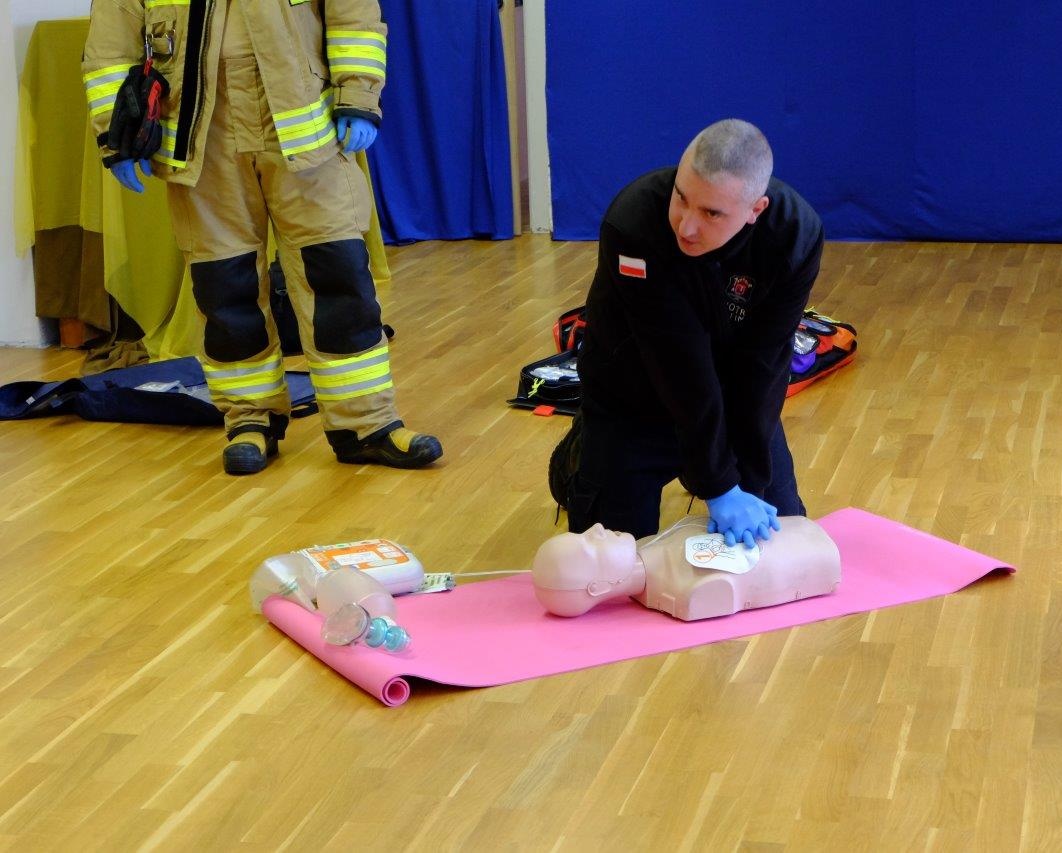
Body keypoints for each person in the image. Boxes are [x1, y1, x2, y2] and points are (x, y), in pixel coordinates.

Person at [82, 0, 442, 475]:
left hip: (305, 131)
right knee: (224, 287)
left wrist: (358, 92)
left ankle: (367, 424)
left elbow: (353, 13)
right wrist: (117, 134)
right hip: (202, 139)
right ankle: (249, 420)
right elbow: (110, 45)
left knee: (338, 275)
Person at [549, 119, 824, 545]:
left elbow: (766, 363)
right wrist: (719, 486)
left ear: (756, 210)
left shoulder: (794, 236)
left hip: (731, 397)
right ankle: (577, 459)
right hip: (631, 397)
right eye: (681, 197)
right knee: (614, 562)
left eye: (711, 213)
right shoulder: (634, 223)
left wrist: (747, 486)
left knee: (779, 538)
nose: (686, 226)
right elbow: (677, 363)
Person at [531, 516, 841, 621]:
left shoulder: (649, 544)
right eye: (588, 544)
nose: (596, 528)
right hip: (811, 553)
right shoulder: (686, 590)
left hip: (792, 531)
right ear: (597, 587)